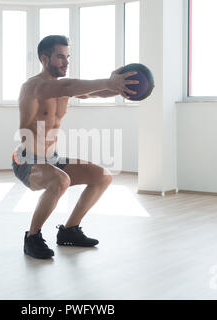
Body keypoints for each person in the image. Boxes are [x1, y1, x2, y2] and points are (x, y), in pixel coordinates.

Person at [12, 35, 139, 259]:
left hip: (53, 159)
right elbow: (71, 86)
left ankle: (69, 231)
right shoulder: (34, 87)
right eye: (60, 57)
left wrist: (122, 88)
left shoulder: (62, 90)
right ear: (44, 58)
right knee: (61, 180)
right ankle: (32, 237)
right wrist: (109, 82)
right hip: (27, 162)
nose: (66, 62)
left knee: (103, 176)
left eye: (68, 57)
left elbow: (91, 92)